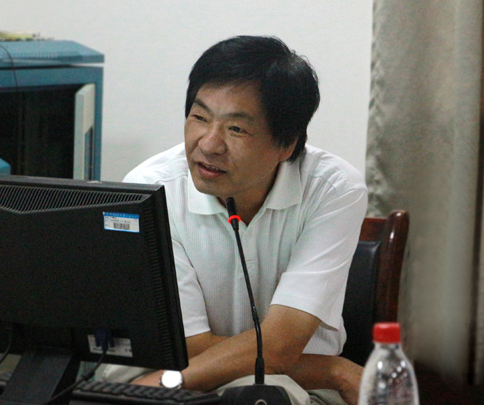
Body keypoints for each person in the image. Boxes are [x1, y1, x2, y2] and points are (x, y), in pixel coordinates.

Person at [102, 35, 368, 405]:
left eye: (236, 129)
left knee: (269, 396)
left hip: (287, 386)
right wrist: (331, 369)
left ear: (287, 144)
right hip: (172, 369)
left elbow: (278, 348)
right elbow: (189, 345)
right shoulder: (149, 190)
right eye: (199, 118)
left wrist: (166, 384)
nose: (208, 144)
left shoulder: (333, 190)